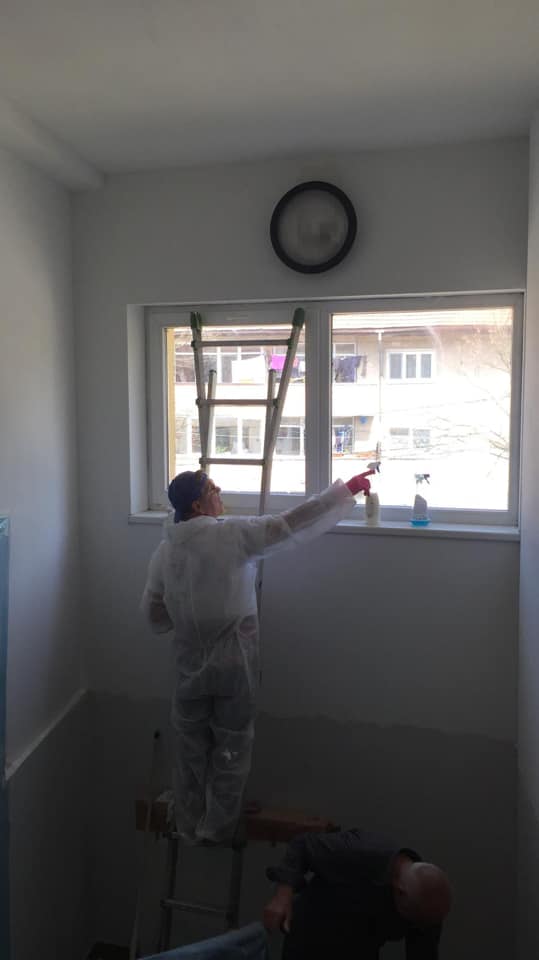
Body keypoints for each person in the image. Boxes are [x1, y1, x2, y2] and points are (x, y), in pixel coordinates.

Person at [141, 468, 373, 844]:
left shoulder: (165, 552)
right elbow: (289, 525)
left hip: (188, 666)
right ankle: (218, 827)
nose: (220, 491)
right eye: (212, 488)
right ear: (198, 505)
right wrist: (342, 493)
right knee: (231, 747)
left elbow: (153, 615)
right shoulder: (230, 535)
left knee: (190, 748)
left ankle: (188, 822)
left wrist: (188, 616)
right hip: (233, 663)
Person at [263, 828, 452, 959]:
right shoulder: (360, 851)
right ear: (400, 892)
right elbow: (302, 845)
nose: (418, 927)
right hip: (310, 937)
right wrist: (282, 896)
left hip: (360, 948)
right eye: (412, 920)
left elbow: (423, 955)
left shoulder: (427, 905)